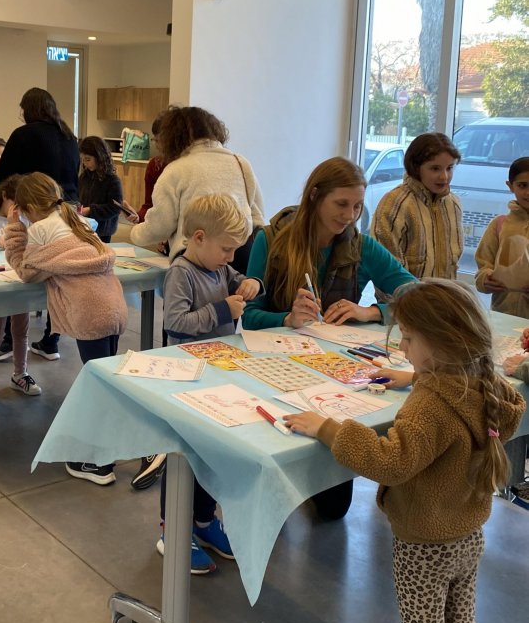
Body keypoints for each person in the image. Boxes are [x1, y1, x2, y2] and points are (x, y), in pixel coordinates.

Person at [283, 280, 525, 623]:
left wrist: (330, 429)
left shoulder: (429, 408)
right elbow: (453, 398)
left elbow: (390, 462)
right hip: (468, 536)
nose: (403, 349)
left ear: (443, 345)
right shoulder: (485, 385)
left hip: (423, 546)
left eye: (410, 340)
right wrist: (416, 377)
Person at [244, 157, 416, 519]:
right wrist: (286, 318)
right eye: (341, 204)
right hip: (275, 372)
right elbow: (250, 315)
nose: (349, 216)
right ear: (315, 197)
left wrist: (372, 312)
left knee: (334, 509)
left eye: (357, 206)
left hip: (335, 377)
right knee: (276, 485)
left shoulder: (361, 247)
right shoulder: (270, 240)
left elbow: (418, 295)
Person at [159, 194, 262, 573]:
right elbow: (175, 322)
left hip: (219, 373)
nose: (231, 258)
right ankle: (172, 528)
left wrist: (251, 284)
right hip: (187, 377)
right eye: (226, 249)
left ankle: (203, 520)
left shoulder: (219, 267)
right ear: (199, 237)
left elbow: (241, 281)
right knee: (184, 455)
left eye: (235, 250)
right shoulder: (181, 273)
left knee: (212, 454)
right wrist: (222, 310)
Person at [3, 173, 128, 486]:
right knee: (105, 381)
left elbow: (27, 271)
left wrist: (15, 229)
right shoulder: (76, 219)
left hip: (89, 314)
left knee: (96, 387)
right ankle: (112, 449)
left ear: (29, 208)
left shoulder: (40, 229)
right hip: (112, 307)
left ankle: (99, 463)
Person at [0, 87, 80, 361]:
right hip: (68, 210)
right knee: (58, 274)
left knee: (22, 269)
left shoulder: (24, 135)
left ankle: (9, 339)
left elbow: (5, 176)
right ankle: (52, 339)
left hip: (35, 210)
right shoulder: (69, 136)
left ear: (26, 110)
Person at [130, 106, 264, 264]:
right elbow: (257, 216)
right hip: (240, 252)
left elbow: (160, 226)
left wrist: (135, 233)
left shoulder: (176, 170)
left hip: (196, 257)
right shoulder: (241, 163)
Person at [0, 175, 41, 406]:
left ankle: (20, 374)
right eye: (15, 203)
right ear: (4, 197)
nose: (17, 209)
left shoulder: (25, 221)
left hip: (18, 282)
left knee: (21, 332)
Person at [371, 133, 463, 280]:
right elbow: (384, 267)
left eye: (449, 168)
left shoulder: (453, 204)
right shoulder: (395, 203)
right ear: (416, 168)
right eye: (435, 168)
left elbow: (452, 263)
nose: (444, 176)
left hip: (444, 292)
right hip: (402, 294)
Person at [474, 155, 529, 320]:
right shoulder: (499, 224)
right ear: (510, 186)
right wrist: (486, 279)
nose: (528, 192)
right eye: (522, 185)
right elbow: (483, 265)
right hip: (503, 316)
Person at [78, 136, 127, 242]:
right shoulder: (84, 177)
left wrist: (91, 210)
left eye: (88, 159)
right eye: (83, 160)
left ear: (99, 157)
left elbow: (115, 208)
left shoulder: (112, 180)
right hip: (86, 228)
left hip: (103, 231)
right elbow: (79, 197)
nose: (85, 163)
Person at [137, 110, 168, 223]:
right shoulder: (155, 166)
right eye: (155, 140)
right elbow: (149, 206)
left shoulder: (188, 168)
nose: (157, 145)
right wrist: (138, 217)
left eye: (159, 140)